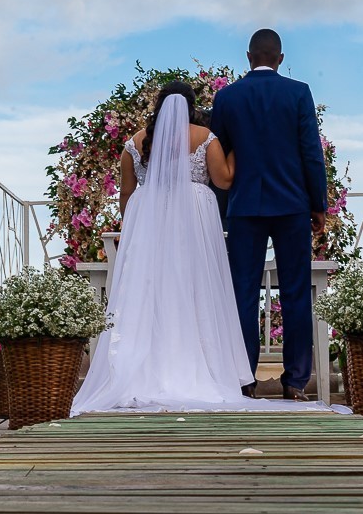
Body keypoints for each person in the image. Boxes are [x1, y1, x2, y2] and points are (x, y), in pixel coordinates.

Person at [71, 81, 255, 412]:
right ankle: (200, 367)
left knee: (150, 294)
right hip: (194, 226)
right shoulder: (204, 137)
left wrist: (141, 227)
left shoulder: (135, 142)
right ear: (190, 106)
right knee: (195, 290)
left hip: (149, 228)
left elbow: (126, 195)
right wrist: (240, 145)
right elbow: (224, 179)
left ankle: (146, 369)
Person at [210, 29, 328, 402]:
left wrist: (220, 209)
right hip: (292, 204)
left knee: (242, 293)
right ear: (279, 58)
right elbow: (311, 151)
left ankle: (244, 379)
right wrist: (319, 204)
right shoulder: (298, 93)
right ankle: (294, 381)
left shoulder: (227, 97)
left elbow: (218, 159)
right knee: (295, 292)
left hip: (245, 206)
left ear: (248, 57)